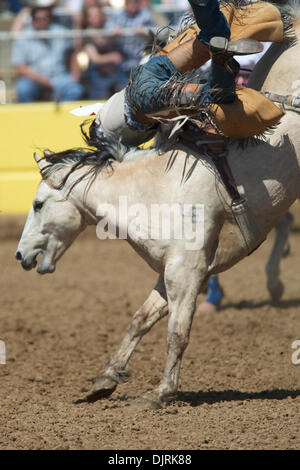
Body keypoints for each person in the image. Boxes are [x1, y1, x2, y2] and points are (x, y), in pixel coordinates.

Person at [11, 4, 84, 102]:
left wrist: (75, 75)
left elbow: (75, 51)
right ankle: (31, 117)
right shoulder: (23, 37)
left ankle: (66, 117)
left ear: (50, 19)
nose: (42, 22)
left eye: (46, 18)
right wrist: (45, 82)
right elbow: (21, 67)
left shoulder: (61, 32)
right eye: (38, 19)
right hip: (34, 79)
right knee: (23, 89)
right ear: (32, 21)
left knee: (75, 89)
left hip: (59, 77)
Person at [79, 4, 124, 99]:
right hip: (97, 75)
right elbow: (95, 59)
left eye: (98, 15)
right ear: (87, 19)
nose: (97, 18)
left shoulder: (108, 29)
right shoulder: (87, 35)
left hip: (114, 73)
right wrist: (112, 56)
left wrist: (116, 35)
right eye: (93, 16)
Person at [105, 0, 154, 83]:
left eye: (135, 2)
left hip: (141, 58)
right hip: (122, 59)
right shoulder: (118, 15)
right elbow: (107, 28)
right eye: (130, 2)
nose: (133, 5)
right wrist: (114, 32)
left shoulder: (146, 14)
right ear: (126, 4)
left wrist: (144, 31)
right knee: (122, 89)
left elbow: (155, 32)